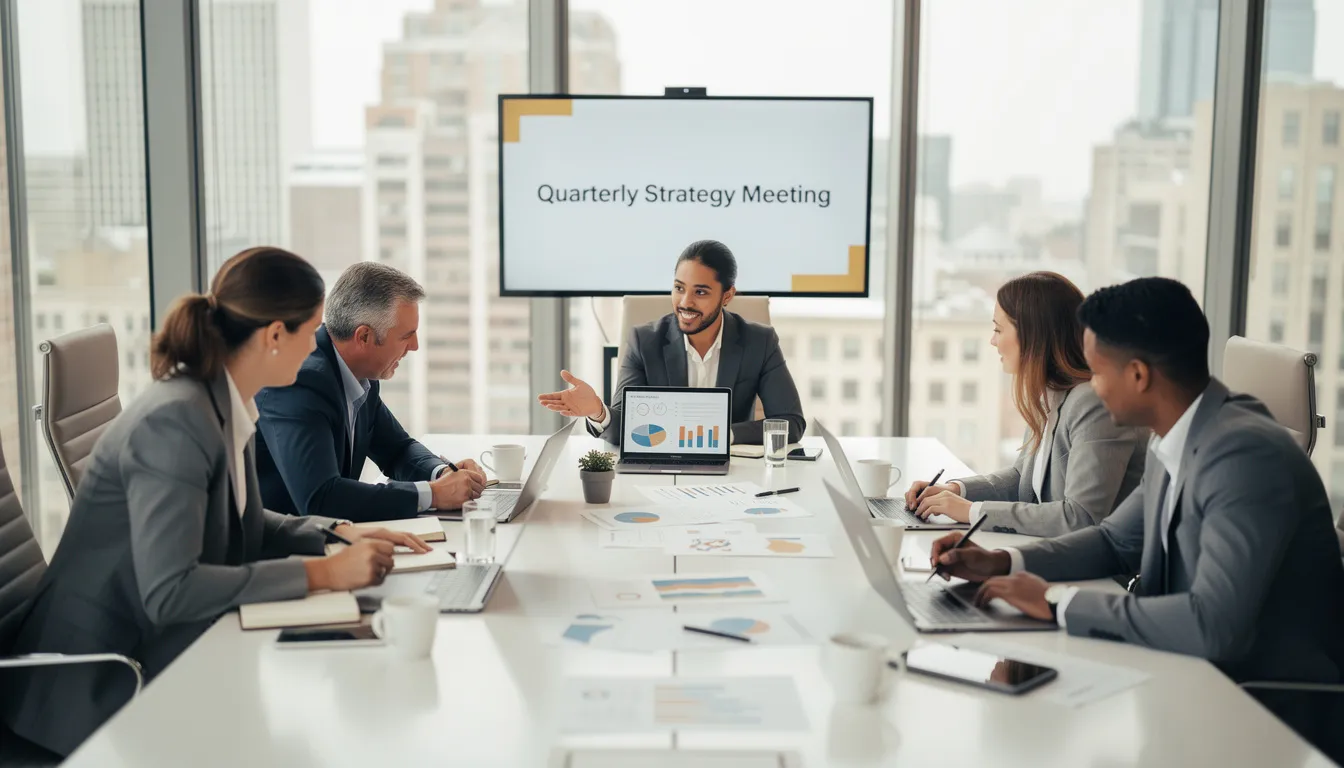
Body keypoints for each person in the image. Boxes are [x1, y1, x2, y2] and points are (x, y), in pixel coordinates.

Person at [0, 248, 432, 756]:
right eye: (312, 330)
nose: (320, 347)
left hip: (163, 650)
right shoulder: (176, 421)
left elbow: (243, 522)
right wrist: (323, 575)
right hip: (98, 684)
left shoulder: (224, 401)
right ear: (274, 335)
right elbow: (171, 590)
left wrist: (337, 532)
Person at [928, 278, 1344, 708]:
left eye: (1098, 372)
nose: (1091, 386)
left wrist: (1056, 601)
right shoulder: (1179, 437)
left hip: (1263, 706)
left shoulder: (1245, 458)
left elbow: (1213, 624)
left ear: (1139, 375)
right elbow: (1115, 540)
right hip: (1187, 673)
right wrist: (1002, 562)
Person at [904, 272, 1146, 536]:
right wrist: (955, 491)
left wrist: (971, 511)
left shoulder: (1092, 403)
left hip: (1104, 573)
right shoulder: (1051, 395)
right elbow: (1024, 480)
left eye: (998, 329)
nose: (992, 341)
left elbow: (1081, 518)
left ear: (1033, 335)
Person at [255, 263, 485, 522]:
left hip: (335, 538)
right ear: (363, 337)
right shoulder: (301, 381)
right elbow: (320, 497)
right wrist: (432, 494)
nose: (415, 346)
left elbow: (398, 449)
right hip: (288, 551)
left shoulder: (361, 374)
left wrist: (442, 474)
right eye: (406, 336)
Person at [538, 239, 805, 445]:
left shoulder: (760, 341)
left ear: (727, 295)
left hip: (734, 472)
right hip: (660, 470)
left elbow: (791, 424)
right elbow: (624, 424)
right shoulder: (644, 341)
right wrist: (597, 411)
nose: (685, 302)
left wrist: (721, 436)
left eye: (700, 292)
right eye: (679, 288)